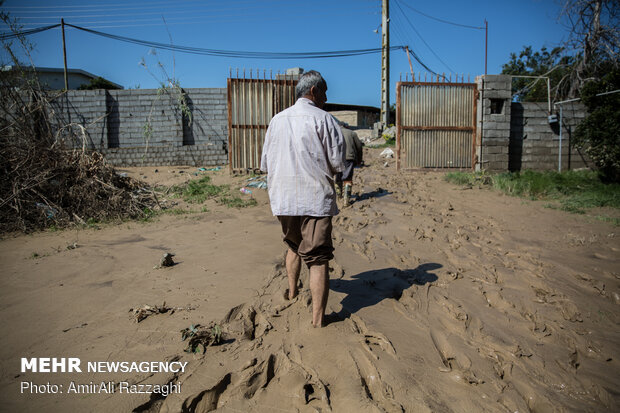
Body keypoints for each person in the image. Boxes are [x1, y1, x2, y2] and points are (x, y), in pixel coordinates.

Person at [260, 70, 345, 328]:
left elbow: (265, 164)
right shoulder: (326, 120)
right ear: (314, 91)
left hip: (283, 198)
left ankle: (293, 292)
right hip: (315, 198)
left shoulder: (277, 120)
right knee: (318, 260)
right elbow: (338, 164)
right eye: (325, 92)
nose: (326, 98)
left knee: (293, 246)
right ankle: (318, 321)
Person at [335, 125, 363, 207]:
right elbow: (359, 147)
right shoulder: (352, 133)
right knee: (348, 179)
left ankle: (339, 197)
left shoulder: (334, 132)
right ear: (346, 127)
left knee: (337, 177)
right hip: (349, 158)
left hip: (336, 158)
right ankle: (346, 201)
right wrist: (359, 160)